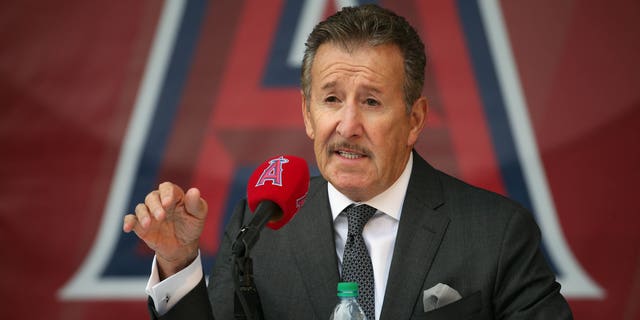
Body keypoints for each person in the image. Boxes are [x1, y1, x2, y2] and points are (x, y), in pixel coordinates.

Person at [123, 4, 572, 320]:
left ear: (414, 119)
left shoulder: (496, 232)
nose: (348, 124)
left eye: (372, 102)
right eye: (332, 99)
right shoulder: (259, 229)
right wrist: (179, 262)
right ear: (307, 114)